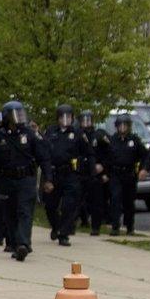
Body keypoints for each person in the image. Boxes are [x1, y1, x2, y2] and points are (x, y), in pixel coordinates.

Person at [0, 101, 48, 263]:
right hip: (5, 181)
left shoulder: (30, 134)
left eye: (21, 113)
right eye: (16, 114)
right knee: (9, 214)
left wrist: (48, 179)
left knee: (25, 211)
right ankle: (15, 244)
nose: (20, 117)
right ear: (7, 117)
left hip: (26, 179)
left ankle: (23, 243)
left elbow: (43, 157)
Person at [41, 105, 91, 247]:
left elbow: (87, 153)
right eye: (62, 117)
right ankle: (56, 226)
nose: (65, 120)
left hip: (70, 173)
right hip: (53, 173)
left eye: (68, 117)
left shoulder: (78, 133)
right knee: (50, 205)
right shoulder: (50, 131)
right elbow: (44, 150)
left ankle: (64, 234)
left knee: (69, 205)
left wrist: (85, 169)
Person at [99, 115, 147, 236]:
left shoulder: (134, 140)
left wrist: (143, 169)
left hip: (129, 174)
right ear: (116, 127)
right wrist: (105, 173)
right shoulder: (112, 140)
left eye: (125, 125)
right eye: (120, 125)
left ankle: (130, 226)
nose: (122, 127)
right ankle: (115, 226)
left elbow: (145, 156)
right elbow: (107, 158)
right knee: (115, 199)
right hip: (115, 174)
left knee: (129, 202)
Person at [77, 109, 110, 239]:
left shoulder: (100, 135)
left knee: (97, 201)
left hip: (95, 173)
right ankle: (76, 222)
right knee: (77, 200)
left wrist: (103, 166)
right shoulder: (76, 134)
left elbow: (110, 152)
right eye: (83, 120)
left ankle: (95, 227)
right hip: (80, 172)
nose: (86, 123)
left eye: (88, 120)